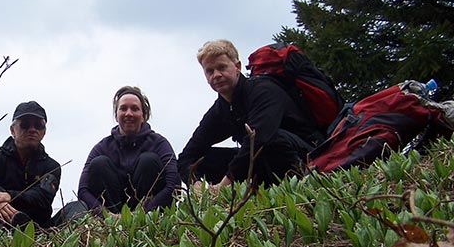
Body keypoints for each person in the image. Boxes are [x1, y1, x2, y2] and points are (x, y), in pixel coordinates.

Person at [177, 39, 324, 189]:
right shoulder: (221, 109)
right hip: (261, 164)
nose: (216, 75)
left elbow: (259, 140)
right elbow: (186, 157)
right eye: (210, 71)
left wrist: (223, 185)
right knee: (203, 160)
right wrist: (196, 185)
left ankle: (297, 189)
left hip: (307, 155)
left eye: (222, 67)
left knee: (270, 142)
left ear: (237, 67)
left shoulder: (263, 90)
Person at [78, 86, 179, 214]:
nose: (129, 113)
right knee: (99, 164)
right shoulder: (102, 148)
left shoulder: (159, 144)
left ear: (144, 115)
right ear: (116, 115)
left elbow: (174, 185)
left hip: (149, 215)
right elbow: (83, 190)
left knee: (148, 160)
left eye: (135, 109)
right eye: (123, 108)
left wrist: (140, 214)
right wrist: (106, 215)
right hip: (111, 219)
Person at [0, 101, 61, 229]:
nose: (32, 129)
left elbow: (42, 198)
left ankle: (31, 232)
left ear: (44, 132)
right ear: (12, 130)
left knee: (77, 207)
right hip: (0, 230)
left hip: (40, 230)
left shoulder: (52, 166)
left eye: (38, 125)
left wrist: (10, 196)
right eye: (25, 125)